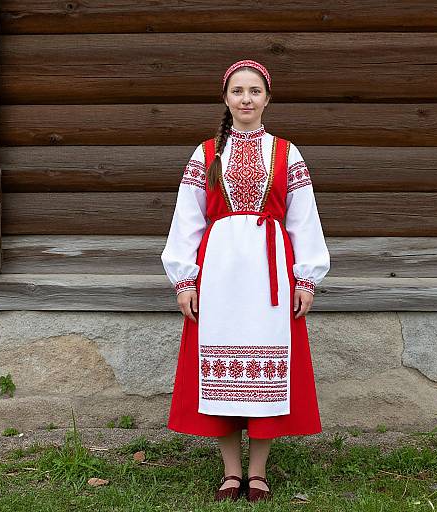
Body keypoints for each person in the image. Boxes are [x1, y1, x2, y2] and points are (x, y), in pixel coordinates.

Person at [161, 59, 331, 502]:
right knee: (219, 363)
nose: (246, 99)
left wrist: (306, 278)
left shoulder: (286, 152)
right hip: (219, 273)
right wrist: (185, 279)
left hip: (269, 274)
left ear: (267, 98)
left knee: (266, 366)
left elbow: (303, 219)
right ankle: (230, 471)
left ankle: (258, 472)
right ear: (226, 99)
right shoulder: (206, 153)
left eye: (255, 91)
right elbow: (188, 218)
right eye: (238, 91)